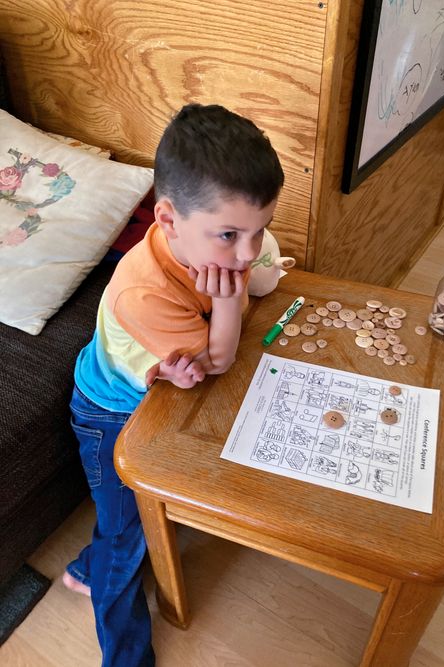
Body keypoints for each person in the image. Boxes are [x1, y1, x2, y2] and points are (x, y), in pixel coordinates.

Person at [62, 103, 284, 666]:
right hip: (111, 414)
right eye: (230, 235)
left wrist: (247, 279)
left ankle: (83, 566)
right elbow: (220, 360)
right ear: (167, 221)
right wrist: (233, 295)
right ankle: (125, 654)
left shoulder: (209, 246)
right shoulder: (144, 290)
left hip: (154, 387)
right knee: (125, 535)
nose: (247, 251)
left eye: (259, 231)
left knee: (130, 514)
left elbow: (250, 281)